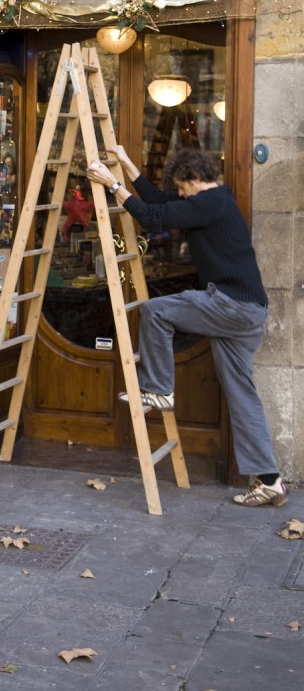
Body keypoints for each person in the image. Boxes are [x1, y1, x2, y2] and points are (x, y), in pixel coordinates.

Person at [86, 145, 287, 508]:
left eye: (181, 187)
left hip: (231, 306)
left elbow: (151, 216)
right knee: (242, 396)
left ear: (195, 180)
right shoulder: (212, 201)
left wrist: (112, 183)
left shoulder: (211, 202)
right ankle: (270, 481)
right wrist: (128, 165)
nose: (179, 193)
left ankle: (160, 388)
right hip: (248, 312)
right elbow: (161, 203)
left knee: (156, 311)